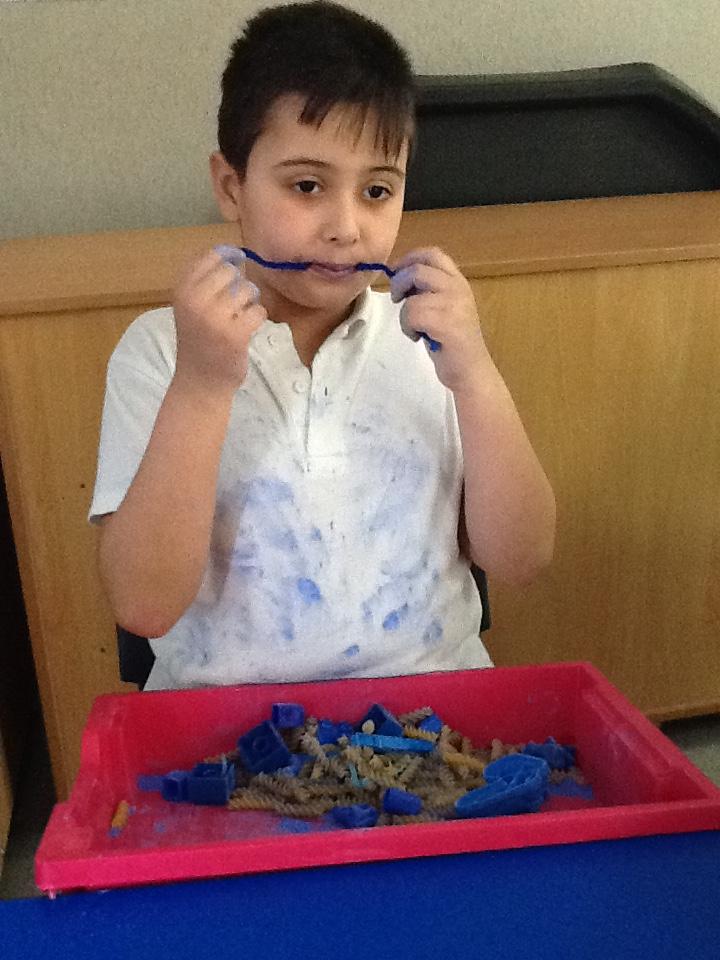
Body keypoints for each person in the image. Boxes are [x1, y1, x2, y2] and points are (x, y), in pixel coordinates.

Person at [89, 1, 556, 691]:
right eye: (307, 186)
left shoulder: (428, 346)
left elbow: (522, 560)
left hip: (429, 712)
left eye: (377, 190)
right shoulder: (161, 353)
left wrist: (477, 375)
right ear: (231, 186)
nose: (347, 226)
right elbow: (143, 605)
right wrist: (202, 386)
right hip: (225, 728)